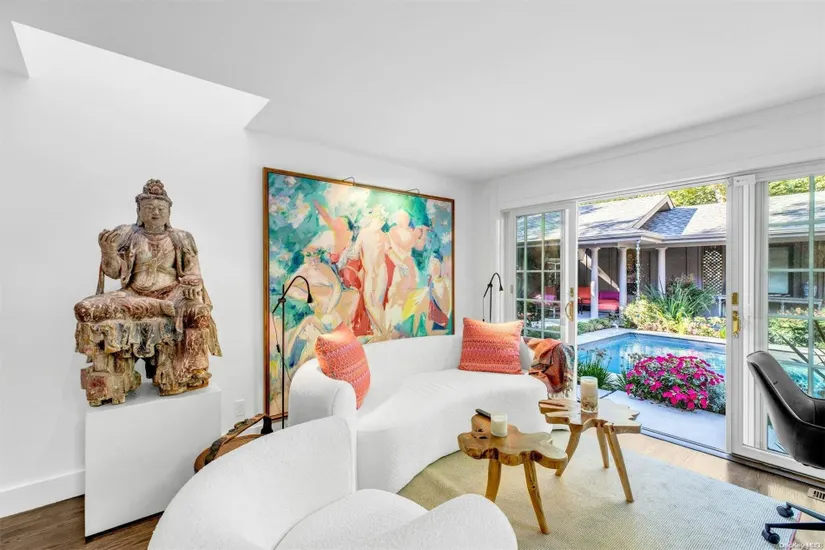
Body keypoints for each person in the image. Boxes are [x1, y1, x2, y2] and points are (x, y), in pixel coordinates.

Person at [74, 180, 221, 404]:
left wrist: (191, 283)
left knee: (199, 312)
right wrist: (108, 253)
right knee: (85, 308)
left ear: (169, 212)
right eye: (149, 208)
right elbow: (114, 272)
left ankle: (185, 374)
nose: (155, 213)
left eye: (161, 208)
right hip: (134, 296)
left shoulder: (182, 238)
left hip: (172, 295)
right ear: (139, 211)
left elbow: (193, 272)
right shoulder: (127, 234)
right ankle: (157, 308)